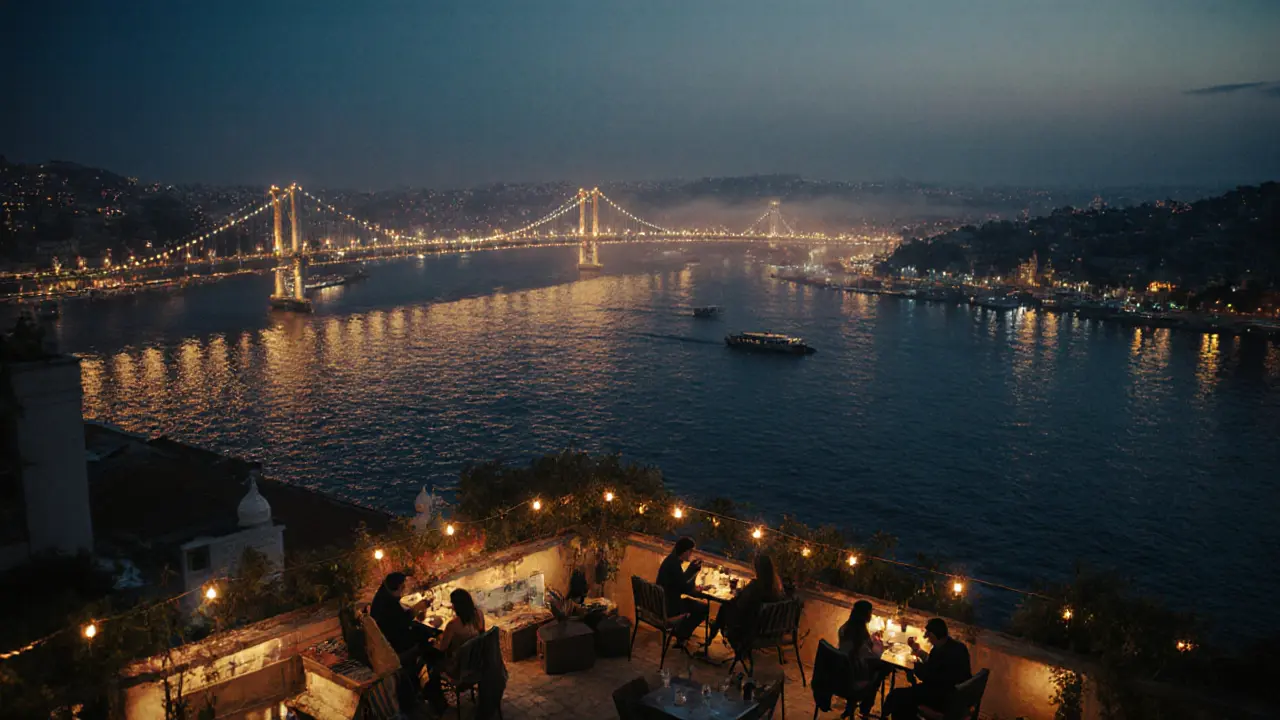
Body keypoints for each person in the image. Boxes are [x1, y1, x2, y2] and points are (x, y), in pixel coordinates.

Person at [882, 618, 971, 720]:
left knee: (897, 696)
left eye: (929, 637)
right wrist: (919, 653)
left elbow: (926, 676)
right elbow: (935, 665)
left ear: (933, 635)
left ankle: (884, 716)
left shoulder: (940, 651)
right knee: (904, 697)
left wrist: (915, 665)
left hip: (940, 697)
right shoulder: (958, 647)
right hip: (955, 697)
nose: (929, 641)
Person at [423, 588, 488, 712]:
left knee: (431, 661)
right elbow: (482, 634)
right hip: (476, 663)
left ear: (456, 606)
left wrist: (433, 642)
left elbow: (442, 649)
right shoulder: (479, 614)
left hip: (459, 669)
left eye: (452, 604)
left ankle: (437, 700)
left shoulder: (453, 626)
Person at [705, 553, 784, 650]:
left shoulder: (755, 586)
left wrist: (739, 595)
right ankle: (715, 628)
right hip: (764, 627)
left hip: (748, 627)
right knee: (726, 609)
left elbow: (741, 605)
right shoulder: (776, 587)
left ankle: (711, 636)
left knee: (724, 607)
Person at [836, 600, 888, 718]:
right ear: (865, 614)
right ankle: (865, 709)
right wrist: (877, 645)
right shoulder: (859, 636)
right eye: (870, 613)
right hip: (854, 675)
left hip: (842, 672)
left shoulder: (845, 628)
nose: (871, 615)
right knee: (882, 670)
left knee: (878, 669)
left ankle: (851, 707)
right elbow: (871, 655)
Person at [656, 536, 709, 647]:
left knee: (697, 605)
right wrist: (693, 571)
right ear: (685, 551)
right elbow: (685, 588)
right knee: (703, 608)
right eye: (690, 551)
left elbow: (682, 584)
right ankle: (681, 636)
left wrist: (692, 572)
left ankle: (681, 636)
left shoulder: (671, 560)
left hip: (665, 602)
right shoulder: (674, 564)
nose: (690, 554)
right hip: (670, 606)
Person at [370, 572, 440, 656]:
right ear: (397, 587)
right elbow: (402, 623)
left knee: (425, 630)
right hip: (395, 643)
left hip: (396, 636)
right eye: (402, 587)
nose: (404, 589)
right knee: (427, 638)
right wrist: (416, 609)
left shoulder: (384, 596)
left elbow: (400, 618)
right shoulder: (386, 603)